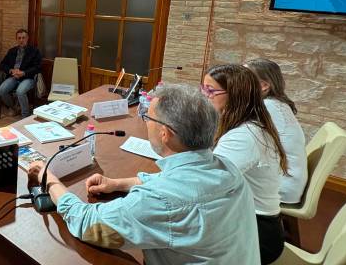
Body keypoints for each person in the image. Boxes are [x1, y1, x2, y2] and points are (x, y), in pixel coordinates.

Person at [28, 84, 260, 264]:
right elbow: (179, 183)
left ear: (165, 133)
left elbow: (88, 223)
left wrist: (50, 179)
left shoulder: (159, 199)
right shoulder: (227, 168)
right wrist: (117, 183)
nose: (145, 122)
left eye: (147, 118)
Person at [203, 64, 288, 264]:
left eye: (211, 91)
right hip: (249, 216)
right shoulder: (247, 123)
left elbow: (204, 183)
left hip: (258, 233)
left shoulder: (243, 137)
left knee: (169, 237)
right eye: (204, 89)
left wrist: (136, 182)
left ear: (235, 96)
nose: (205, 96)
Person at [245, 58, 308, 205]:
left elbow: (241, 141)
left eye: (244, 78)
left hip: (281, 187)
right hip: (288, 181)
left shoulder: (267, 107)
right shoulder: (275, 104)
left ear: (264, 85)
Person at [0, 29, 41, 117]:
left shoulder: (34, 51)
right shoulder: (12, 51)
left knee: (20, 91)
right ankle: (14, 107)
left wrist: (24, 73)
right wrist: (11, 70)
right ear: (16, 39)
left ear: (27, 38)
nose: (21, 40)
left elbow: (37, 67)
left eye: (23, 38)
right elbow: (2, 64)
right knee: (1, 90)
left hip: (28, 77)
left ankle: (25, 115)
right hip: (14, 76)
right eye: (19, 38)